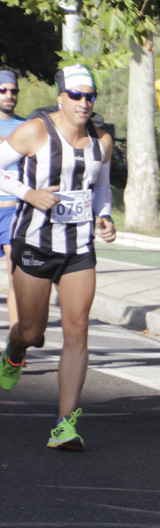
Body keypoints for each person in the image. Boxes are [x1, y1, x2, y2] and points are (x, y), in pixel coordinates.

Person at [0, 65, 117, 451]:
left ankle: (65, 424)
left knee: (78, 329)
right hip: (34, 243)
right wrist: (27, 193)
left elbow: (101, 187)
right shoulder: (35, 130)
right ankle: (14, 351)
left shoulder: (101, 140)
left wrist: (105, 216)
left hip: (79, 249)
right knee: (32, 332)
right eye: (77, 96)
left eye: (91, 96)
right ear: (61, 97)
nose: (85, 103)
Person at [0, 69, 26, 337]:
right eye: (3, 90)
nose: (9, 95)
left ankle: (16, 342)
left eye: (14, 90)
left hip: (15, 213)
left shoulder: (27, 127)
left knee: (15, 279)